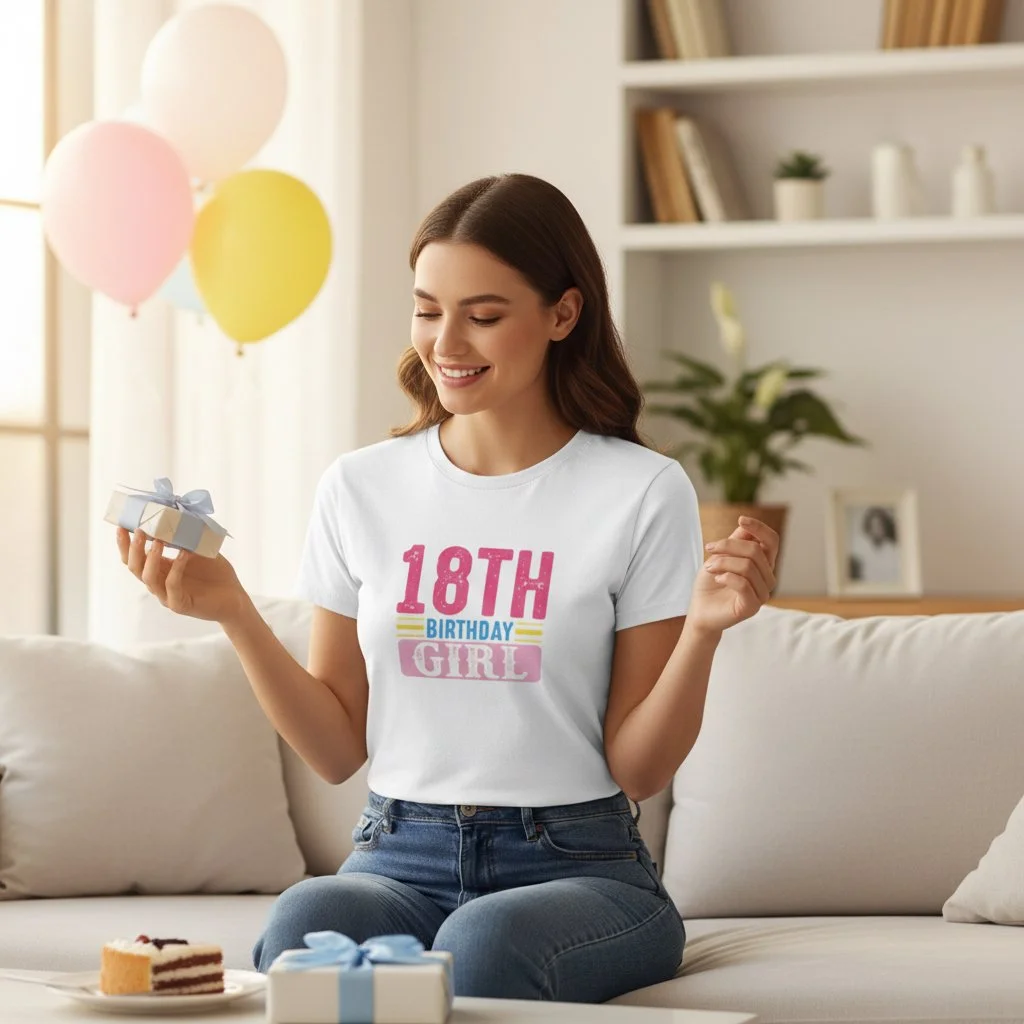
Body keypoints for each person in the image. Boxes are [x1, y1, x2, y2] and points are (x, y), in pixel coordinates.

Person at [116, 172, 779, 1004]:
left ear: (563, 315)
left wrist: (705, 631)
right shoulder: (360, 486)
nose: (447, 343)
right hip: (396, 854)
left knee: (485, 940)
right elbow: (334, 750)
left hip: (580, 867)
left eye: (485, 315)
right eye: (429, 310)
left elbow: (638, 770)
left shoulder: (642, 491)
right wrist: (231, 611)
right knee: (302, 926)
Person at [848, 505, 900, 584]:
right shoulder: (861, 551)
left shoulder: (894, 550)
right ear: (869, 527)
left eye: (880, 526)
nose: (877, 530)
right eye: (874, 526)